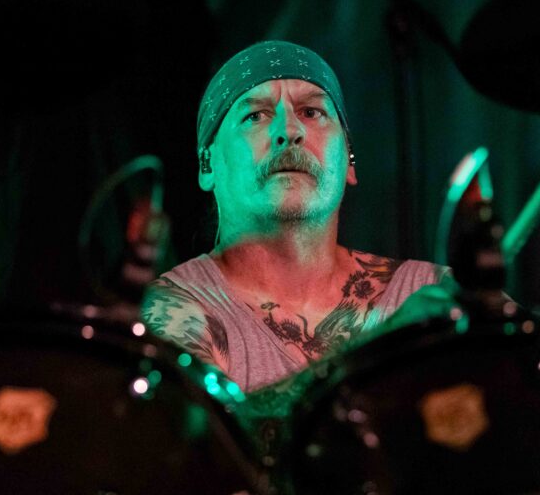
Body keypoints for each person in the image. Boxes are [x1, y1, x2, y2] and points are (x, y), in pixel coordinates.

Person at [140, 40, 449, 394]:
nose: (288, 131)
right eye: (255, 116)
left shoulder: (433, 290)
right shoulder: (171, 309)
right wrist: (380, 351)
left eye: (311, 112)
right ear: (208, 164)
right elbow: (217, 421)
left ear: (349, 159)